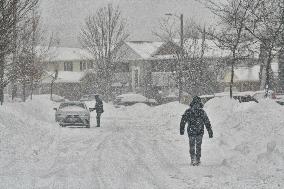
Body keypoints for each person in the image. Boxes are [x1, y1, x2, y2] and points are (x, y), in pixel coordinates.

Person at [180, 96, 213, 166]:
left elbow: (183, 121)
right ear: (200, 102)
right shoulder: (202, 112)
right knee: (198, 146)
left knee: (192, 145)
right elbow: (207, 122)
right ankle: (198, 159)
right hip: (199, 131)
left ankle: (193, 159)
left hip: (191, 131)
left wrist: (182, 130)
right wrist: (210, 132)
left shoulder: (188, 111)